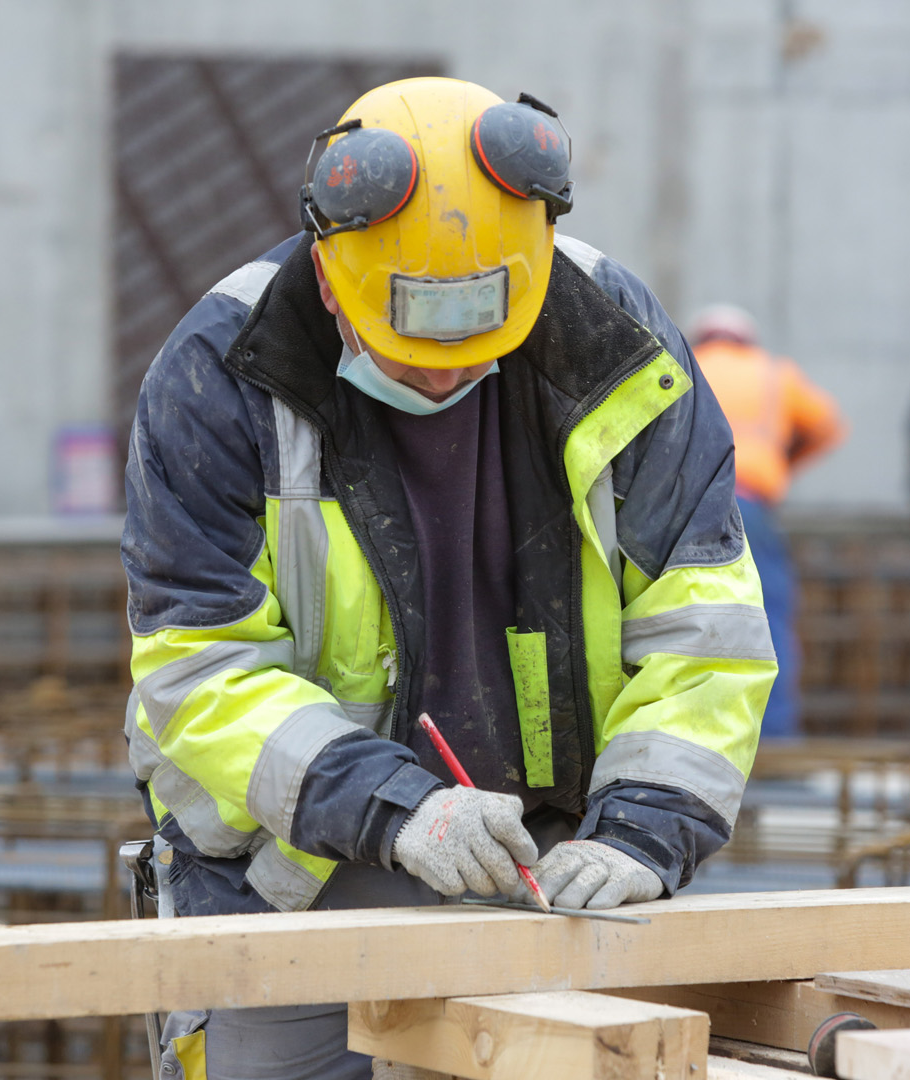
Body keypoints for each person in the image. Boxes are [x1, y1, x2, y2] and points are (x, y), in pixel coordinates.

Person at [121, 77, 774, 1080]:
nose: (438, 374)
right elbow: (197, 675)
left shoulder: (615, 343)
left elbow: (705, 632)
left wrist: (644, 828)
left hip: (549, 867)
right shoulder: (222, 372)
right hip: (294, 877)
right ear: (331, 272)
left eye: (472, 347)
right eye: (410, 345)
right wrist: (394, 807)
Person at [689, 305, 843, 739]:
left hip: (688, 504)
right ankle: (773, 738)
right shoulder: (776, 373)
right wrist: (780, 465)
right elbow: (827, 426)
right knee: (767, 615)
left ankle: (698, 734)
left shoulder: (681, 361)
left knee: (684, 614)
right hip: (751, 503)